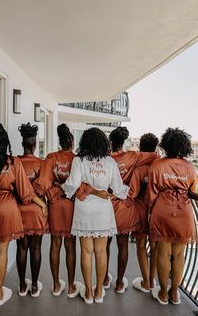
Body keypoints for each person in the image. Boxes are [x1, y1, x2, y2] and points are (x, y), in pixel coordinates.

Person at [0, 123, 46, 306]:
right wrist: (41, 204)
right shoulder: (12, 162)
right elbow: (25, 192)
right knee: (2, 248)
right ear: (6, 143)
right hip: (6, 207)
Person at [63, 127, 129, 304]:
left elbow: (72, 185)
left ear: (84, 142)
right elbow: (118, 190)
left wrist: (64, 189)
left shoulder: (79, 160)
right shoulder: (110, 162)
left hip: (84, 209)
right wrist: (111, 193)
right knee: (101, 252)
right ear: (103, 143)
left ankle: (89, 293)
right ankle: (99, 292)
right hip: (103, 211)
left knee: (86, 252)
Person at [103, 126, 158, 292]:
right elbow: (150, 156)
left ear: (110, 142)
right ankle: (120, 283)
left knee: (105, 244)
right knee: (123, 244)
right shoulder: (133, 156)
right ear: (124, 141)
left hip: (106, 204)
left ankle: (105, 279)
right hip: (124, 206)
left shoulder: (105, 159)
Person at [147, 128, 197, 305]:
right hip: (184, 213)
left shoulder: (158, 165)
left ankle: (162, 293)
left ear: (166, 144)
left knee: (162, 253)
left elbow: (152, 194)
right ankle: (174, 293)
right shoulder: (190, 167)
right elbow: (192, 191)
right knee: (178, 255)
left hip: (162, 211)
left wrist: (150, 213)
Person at [34, 123, 82, 298]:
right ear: (71, 141)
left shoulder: (51, 157)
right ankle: (70, 287)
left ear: (61, 142)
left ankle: (55, 285)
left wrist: (53, 193)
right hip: (72, 205)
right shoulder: (77, 159)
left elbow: (44, 183)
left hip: (55, 204)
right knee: (71, 246)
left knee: (55, 244)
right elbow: (81, 185)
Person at [16, 123, 49, 298]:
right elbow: (43, 188)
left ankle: (22, 286)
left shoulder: (14, 162)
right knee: (36, 248)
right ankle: (35, 286)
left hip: (18, 210)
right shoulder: (42, 163)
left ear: (23, 143)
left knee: (21, 248)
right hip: (37, 210)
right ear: (35, 144)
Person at [129, 133, 159, 292]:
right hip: (156, 210)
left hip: (140, 210)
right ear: (155, 147)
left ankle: (145, 281)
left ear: (140, 147)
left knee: (141, 245)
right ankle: (153, 281)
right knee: (154, 246)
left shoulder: (138, 169)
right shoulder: (160, 166)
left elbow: (132, 193)